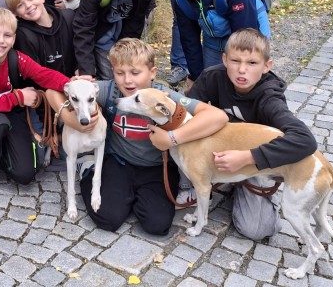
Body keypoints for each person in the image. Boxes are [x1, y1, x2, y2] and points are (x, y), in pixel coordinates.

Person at [47, 38, 228, 235]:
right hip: (119, 162)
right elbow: (51, 91)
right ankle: (89, 168)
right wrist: (69, 119)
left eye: (135, 72)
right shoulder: (108, 90)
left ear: (152, 72)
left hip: (155, 168)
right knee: (107, 218)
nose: (127, 80)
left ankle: (130, 197)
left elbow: (217, 116)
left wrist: (173, 138)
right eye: (120, 73)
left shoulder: (163, 96)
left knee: (157, 225)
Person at [185, 29, 316, 239]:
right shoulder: (212, 77)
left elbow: (305, 140)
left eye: (252, 63)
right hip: (216, 155)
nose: (242, 70)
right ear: (225, 59)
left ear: (267, 66)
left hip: (255, 165)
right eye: (235, 61)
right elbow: (184, 115)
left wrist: (247, 157)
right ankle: (219, 184)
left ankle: (245, 190)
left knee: (257, 230)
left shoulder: (269, 98)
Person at [0, 7, 71, 200]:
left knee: (25, 174)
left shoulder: (16, 58)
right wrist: (18, 98)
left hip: (11, 114)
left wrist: (72, 85)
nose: (0, 40)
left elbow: (44, 75)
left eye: (7, 35)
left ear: (13, 39)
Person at [4, 0, 76, 78]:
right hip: (47, 89)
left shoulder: (68, 17)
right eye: (20, 5)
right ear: (16, 14)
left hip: (77, 82)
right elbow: (35, 74)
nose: (28, 6)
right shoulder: (23, 35)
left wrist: (81, 70)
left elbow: (83, 48)